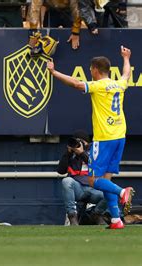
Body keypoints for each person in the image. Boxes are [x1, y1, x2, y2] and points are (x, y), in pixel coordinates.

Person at [47, 46, 135, 229]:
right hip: (120, 136)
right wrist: (126, 58)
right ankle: (116, 220)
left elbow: (76, 84)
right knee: (106, 180)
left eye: (90, 69)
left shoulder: (98, 85)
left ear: (95, 70)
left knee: (94, 180)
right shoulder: (119, 84)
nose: (89, 72)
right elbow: (126, 75)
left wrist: (54, 72)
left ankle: (121, 193)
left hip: (104, 139)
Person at [57, 131, 107, 226]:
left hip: (94, 189)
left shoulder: (95, 151)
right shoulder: (71, 154)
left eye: (80, 142)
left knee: (111, 192)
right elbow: (60, 171)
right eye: (76, 142)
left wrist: (82, 153)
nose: (78, 144)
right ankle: (72, 216)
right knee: (66, 181)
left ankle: (96, 214)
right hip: (78, 189)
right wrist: (68, 153)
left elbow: (97, 166)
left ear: (86, 143)